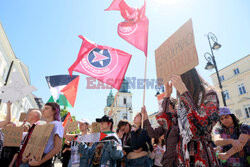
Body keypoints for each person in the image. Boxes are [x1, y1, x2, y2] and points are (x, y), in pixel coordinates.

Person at [153, 69, 220, 166]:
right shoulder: (181, 103)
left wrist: (184, 91)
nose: (176, 85)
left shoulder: (209, 94)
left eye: (178, 79)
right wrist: (167, 96)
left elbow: (203, 125)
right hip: (183, 157)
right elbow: (165, 124)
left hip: (201, 155)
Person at [142, 93, 178, 167]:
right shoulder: (165, 125)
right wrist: (145, 117)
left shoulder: (180, 120)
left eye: (166, 106)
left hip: (180, 159)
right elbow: (152, 134)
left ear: (173, 107)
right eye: (163, 107)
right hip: (169, 161)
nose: (164, 110)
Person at [28, 102, 63, 166]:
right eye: (43, 108)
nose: (43, 110)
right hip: (35, 158)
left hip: (44, 160)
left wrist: (40, 162)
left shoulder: (57, 124)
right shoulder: (43, 125)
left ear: (54, 111)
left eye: (46, 108)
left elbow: (58, 147)